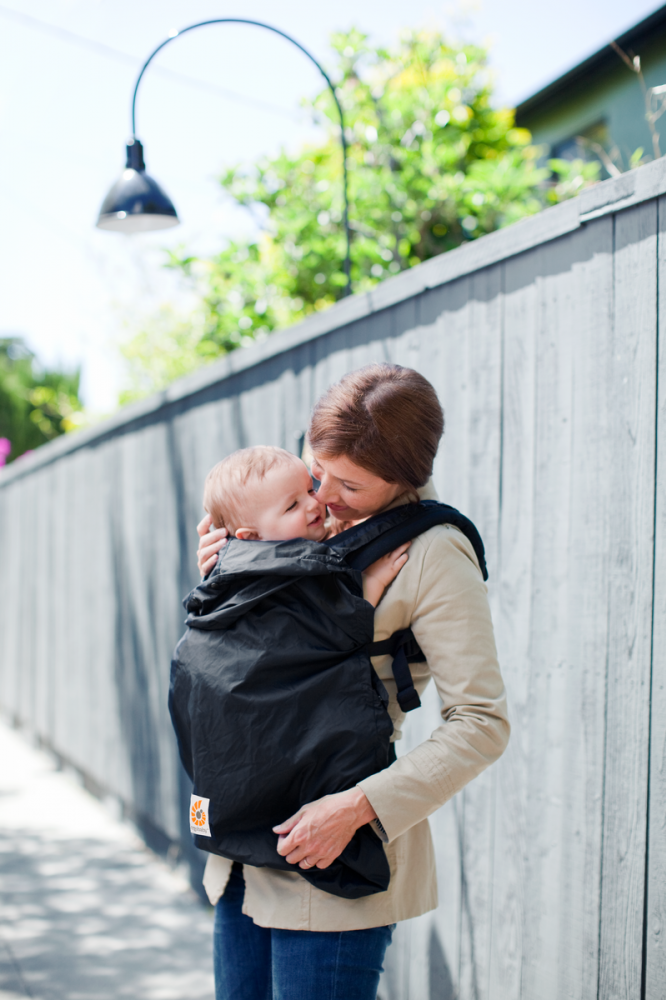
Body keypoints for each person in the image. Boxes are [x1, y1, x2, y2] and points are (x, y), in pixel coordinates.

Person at [195, 363, 510, 1000]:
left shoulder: (433, 553)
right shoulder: (292, 518)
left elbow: (482, 723)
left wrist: (358, 808)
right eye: (318, 472)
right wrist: (224, 577)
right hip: (242, 852)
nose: (325, 499)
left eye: (351, 486)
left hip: (334, 851)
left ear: (405, 481)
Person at [202, 444, 411, 608]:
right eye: (292, 506)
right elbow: (329, 623)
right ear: (252, 537)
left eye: (310, 490)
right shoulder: (278, 576)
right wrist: (374, 581)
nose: (314, 502)